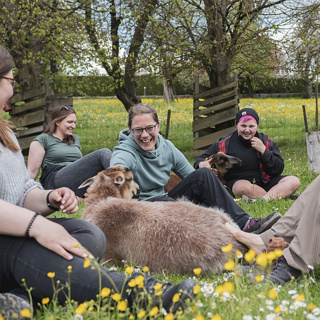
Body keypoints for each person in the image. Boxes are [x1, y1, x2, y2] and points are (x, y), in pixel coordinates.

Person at [0, 46, 196, 319]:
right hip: (10, 232)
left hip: (18, 225)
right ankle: (145, 294)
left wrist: (48, 198)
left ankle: (18, 298)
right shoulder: (41, 141)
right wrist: (37, 227)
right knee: (39, 247)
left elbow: (22, 190)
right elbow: (34, 174)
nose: (13, 89)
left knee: (89, 233)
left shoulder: (5, 138)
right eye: (11, 80)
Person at [110, 103, 281, 234]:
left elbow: (194, 177)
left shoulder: (167, 147)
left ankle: (246, 223)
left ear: (158, 126)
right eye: (138, 130)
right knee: (181, 210)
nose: (145, 135)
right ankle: (220, 229)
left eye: (149, 128)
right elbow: (117, 169)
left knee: (204, 175)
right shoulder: (127, 150)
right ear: (131, 131)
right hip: (143, 208)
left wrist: (211, 194)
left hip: (164, 200)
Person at [225, 173, 320, 284]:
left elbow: (276, 166)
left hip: (269, 181)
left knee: (292, 181)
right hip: (242, 180)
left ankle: (294, 262)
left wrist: (265, 154)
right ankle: (270, 243)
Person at [194, 108, 300, 202]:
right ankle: (277, 196)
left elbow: (278, 169)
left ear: (257, 126)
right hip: (239, 183)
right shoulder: (224, 143)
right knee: (241, 187)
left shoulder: (266, 142)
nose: (247, 130)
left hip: (266, 182)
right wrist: (201, 164)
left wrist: (264, 150)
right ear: (236, 126)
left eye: (251, 126)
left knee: (294, 181)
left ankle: (263, 200)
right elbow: (200, 159)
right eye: (243, 126)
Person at [27, 105, 112, 198]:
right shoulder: (42, 140)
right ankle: (125, 181)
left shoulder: (75, 139)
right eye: (70, 122)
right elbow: (32, 172)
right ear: (57, 122)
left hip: (76, 180)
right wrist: (25, 194)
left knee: (104, 171)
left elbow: (79, 166)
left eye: (75, 122)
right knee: (102, 153)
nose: (74, 126)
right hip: (56, 179)